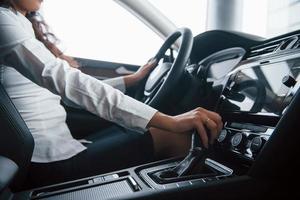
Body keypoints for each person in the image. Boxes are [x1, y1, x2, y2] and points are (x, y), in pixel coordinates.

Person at [0, 0, 223, 187]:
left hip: (62, 146)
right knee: (174, 136)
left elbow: (66, 85)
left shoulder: (17, 20)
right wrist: (168, 120)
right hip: (47, 164)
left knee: (155, 129)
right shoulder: (3, 22)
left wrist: (131, 80)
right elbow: (67, 81)